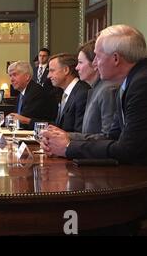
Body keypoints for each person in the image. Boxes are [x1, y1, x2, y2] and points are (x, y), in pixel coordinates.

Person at [41, 25, 147, 164]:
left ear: (115, 58)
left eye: (97, 56)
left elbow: (128, 149)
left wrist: (68, 147)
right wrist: (66, 139)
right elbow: (113, 136)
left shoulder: (141, 84)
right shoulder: (129, 82)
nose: (95, 62)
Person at [0, 61, 57, 129]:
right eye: (10, 76)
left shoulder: (36, 92)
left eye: (15, 75)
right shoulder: (22, 93)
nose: (11, 79)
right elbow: (15, 116)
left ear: (27, 76)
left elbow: (21, 121)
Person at [69, 40, 118, 139]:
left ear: (95, 64)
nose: (77, 68)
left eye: (80, 62)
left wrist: (68, 136)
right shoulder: (95, 89)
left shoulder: (107, 90)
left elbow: (108, 137)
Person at [48, 53, 90, 132]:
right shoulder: (63, 93)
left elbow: (80, 133)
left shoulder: (82, 93)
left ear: (66, 70)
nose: (48, 76)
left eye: (52, 71)